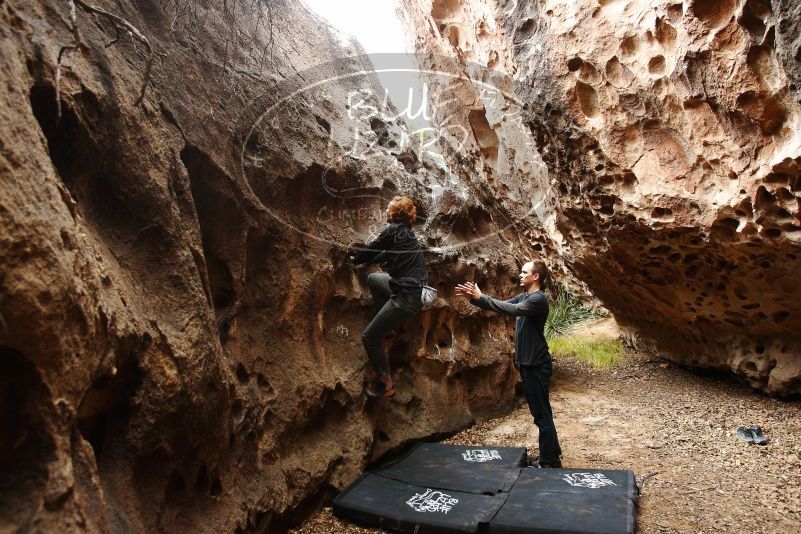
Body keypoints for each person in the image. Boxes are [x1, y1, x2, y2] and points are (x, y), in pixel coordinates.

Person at [455, 261, 562, 467]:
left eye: (524, 272)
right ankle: (552, 455)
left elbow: (512, 310)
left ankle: (549, 461)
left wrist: (481, 297)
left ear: (536, 277)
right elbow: (503, 306)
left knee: (541, 414)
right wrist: (476, 299)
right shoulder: (526, 296)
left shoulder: (538, 299)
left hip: (537, 365)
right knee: (542, 412)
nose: (520, 275)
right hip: (530, 364)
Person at [350, 196, 428, 399]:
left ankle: (387, 384)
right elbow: (384, 255)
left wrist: (355, 258)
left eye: (388, 208)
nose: (385, 211)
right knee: (375, 279)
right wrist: (364, 264)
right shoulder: (406, 234)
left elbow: (373, 248)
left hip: (405, 300)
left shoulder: (393, 230)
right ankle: (384, 321)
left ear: (395, 213)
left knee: (369, 337)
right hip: (413, 294)